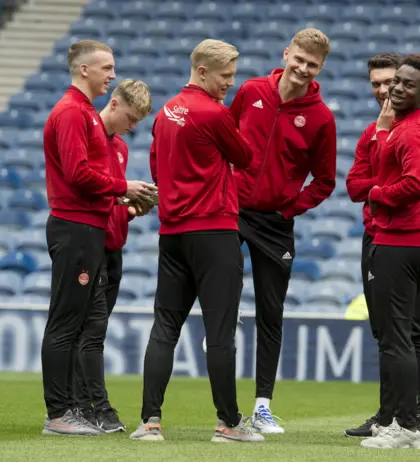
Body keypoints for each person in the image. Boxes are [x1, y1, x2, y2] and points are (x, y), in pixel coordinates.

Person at [130, 39, 263, 443]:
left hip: (172, 234)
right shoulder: (215, 114)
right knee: (220, 332)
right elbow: (245, 158)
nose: (230, 83)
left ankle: (150, 422)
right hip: (214, 232)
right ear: (202, 71)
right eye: (225, 76)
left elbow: (156, 164)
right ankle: (229, 424)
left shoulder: (165, 112)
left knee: (165, 327)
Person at [41, 40, 157, 437]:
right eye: (106, 67)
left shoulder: (85, 114)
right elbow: (76, 175)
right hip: (74, 227)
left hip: (88, 228)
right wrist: (122, 186)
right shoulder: (73, 112)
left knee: (81, 324)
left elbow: (87, 179)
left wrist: (122, 197)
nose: (112, 74)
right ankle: (59, 414)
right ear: (84, 69)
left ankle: (73, 409)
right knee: (65, 323)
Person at [229, 28, 337, 434]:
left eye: (313, 64)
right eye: (300, 59)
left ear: (320, 67)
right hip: (233, 209)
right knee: (219, 290)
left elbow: (324, 181)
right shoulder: (251, 91)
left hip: (275, 224)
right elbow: (223, 140)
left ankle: (262, 407)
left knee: (271, 314)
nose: (304, 68)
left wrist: (287, 207)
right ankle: (227, 403)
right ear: (287, 52)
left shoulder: (321, 118)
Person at [344, 52, 420, 441]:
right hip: (411, 238)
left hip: (399, 238)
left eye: (404, 84)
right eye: (392, 82)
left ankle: (407, 424)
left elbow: (416, 183)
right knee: (401, 334)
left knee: (399, 335)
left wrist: (378, 192)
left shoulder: (408, 130)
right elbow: (352, 186)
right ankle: (399, 420)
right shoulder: (410, 126)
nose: (394, 88)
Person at [70, 79, 155, 433]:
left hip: (113, 244)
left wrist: (132, 208)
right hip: (91, 245)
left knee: (88, 332)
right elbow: (86, 186)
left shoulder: (119, 147)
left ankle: (81, 407)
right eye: (131, 119)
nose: (132, 127)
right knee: (92, 331)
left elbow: (111, 197)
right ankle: (98, 408)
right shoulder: (89, 138)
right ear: (115, 104)